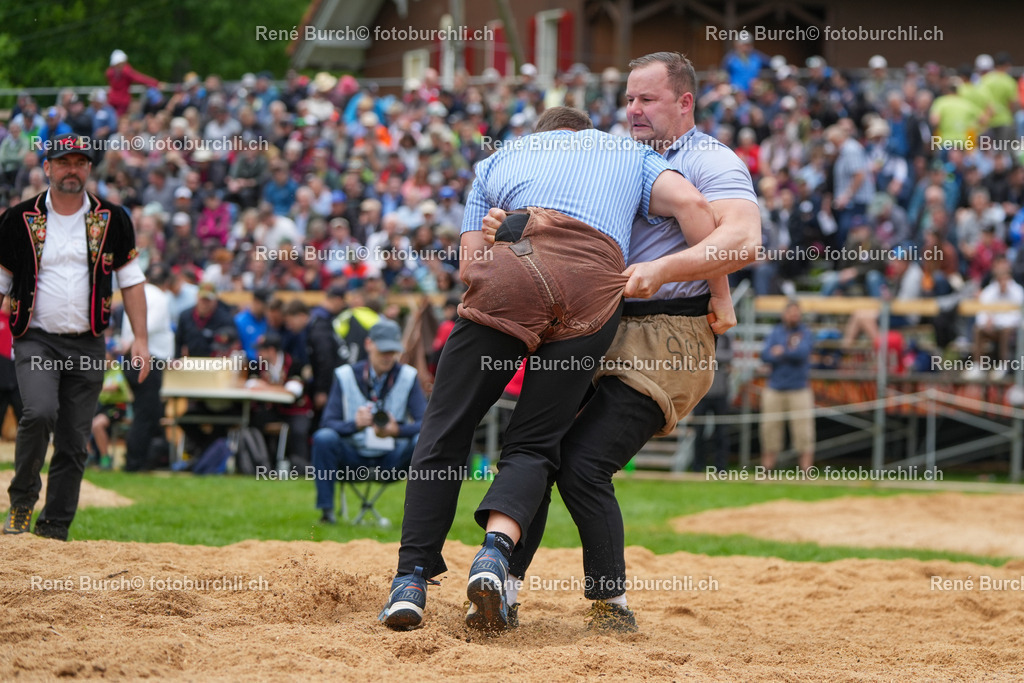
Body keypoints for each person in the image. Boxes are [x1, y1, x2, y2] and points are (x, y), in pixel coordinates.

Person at [380, 104, 745, 632]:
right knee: (534, 444)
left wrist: (510, 260)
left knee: (445, 429)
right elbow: (692, 204)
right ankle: (494, 555)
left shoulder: (500, 159)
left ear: (539, 138)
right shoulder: (629, 152)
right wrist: (720, 296)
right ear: (585, 133)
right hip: (593, 290)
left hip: (514, 266)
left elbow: (467, 266)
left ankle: (409, 582)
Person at [498, 52, 761, 632]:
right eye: (629, 100)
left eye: (648, 99)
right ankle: (500, 585)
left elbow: (743, 241)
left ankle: (611, 608)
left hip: (673, 333)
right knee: (537, 451)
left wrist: (668, 272)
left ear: (685, 102)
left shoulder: (711, 160)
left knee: (584, 463)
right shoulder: (617, 156)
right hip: (598, 325)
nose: (634, 110)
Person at [1, 133, 150, 541]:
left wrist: (141, 339)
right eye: (63, 162)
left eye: (80, 162)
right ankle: (20, 504)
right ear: (46, 167)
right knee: (39, 412)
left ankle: (55, 526)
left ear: (89, 168)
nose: (72, 169)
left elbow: (131, 280)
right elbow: (1, 281)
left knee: (74, 438)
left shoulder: (113, 218)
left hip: (89, 342)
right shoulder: (18, 218)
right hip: (36, 337)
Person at [312, 320, 425, 524]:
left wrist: (396, 430)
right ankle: (326, 512)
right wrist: (355, 425)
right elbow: (327, 423)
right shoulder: (345, 375)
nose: (388, 356)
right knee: (324, 438)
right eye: (383, 349)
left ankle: (421, 518)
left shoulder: (408, 376)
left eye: (392, 350)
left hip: (392, 458)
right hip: (353, 457)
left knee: (423, 441)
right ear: (368, 344)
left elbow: (426, 426)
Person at [119, 266, 175, 471]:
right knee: (145, 414)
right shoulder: (159, 297)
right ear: (166, 283)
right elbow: (147, 325)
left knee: (146, 412)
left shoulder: (139, 294)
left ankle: (142, 459)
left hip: (132, 357)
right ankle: (135, 463)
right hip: (146, 357)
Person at [760, 300, 815, 473]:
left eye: (796, 313)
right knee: (770, 429)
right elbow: (765, 355)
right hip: (775, 387)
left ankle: (806, 470)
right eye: (790, 312)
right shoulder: (775, 332)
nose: (793, 315)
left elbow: (802, 353)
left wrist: (782, 351)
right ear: (784, 314)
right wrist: (786, 352)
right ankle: (767, 469)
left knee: (803, 432)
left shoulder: (805, 333)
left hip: (799, 388)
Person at [966, 257, 1024, 381]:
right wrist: (986, 322)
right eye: (999, 277)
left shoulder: (1018, 291)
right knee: (978, 330)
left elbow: (1017, 318)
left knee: (1006, 331)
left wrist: (996, 322)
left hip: (1010, 331)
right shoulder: (989, 291)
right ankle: (978, 365)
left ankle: (1004, 365)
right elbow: (981, 314)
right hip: (992, 329)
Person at [105, 49, 161, 117]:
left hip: (118, 101)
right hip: (118, 101)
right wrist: (155, 83)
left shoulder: (111, 72)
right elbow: (138, 78)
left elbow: (138, 78)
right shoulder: (121, 72)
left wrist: (154, 83)